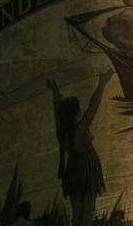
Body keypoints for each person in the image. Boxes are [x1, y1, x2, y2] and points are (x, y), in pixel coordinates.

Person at [46, 70, 114, 226]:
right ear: (76, 112)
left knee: (77, 214)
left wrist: (55, 92)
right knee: (87, 213)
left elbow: (57, 110)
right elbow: (93, 106)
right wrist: (102, 83)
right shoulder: (79, 130)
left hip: (73, 170)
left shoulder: (62, 131)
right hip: (87, 169)